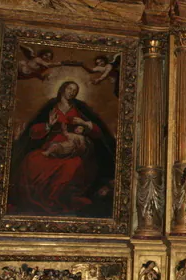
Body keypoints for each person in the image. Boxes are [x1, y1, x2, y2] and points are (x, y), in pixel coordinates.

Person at [9, 81, 116, 216]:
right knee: (32, 160)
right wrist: (48, 125)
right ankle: (38, 202)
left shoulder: (80, 108)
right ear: (62, 89)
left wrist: (84, 124)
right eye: (69, 88)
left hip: (73, 146)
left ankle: (60, 200)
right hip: (52, 144)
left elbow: (98, 132)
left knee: (73, 165)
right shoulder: (51, 107)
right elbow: (33, 132)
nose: (72, 92)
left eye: (75, 90)